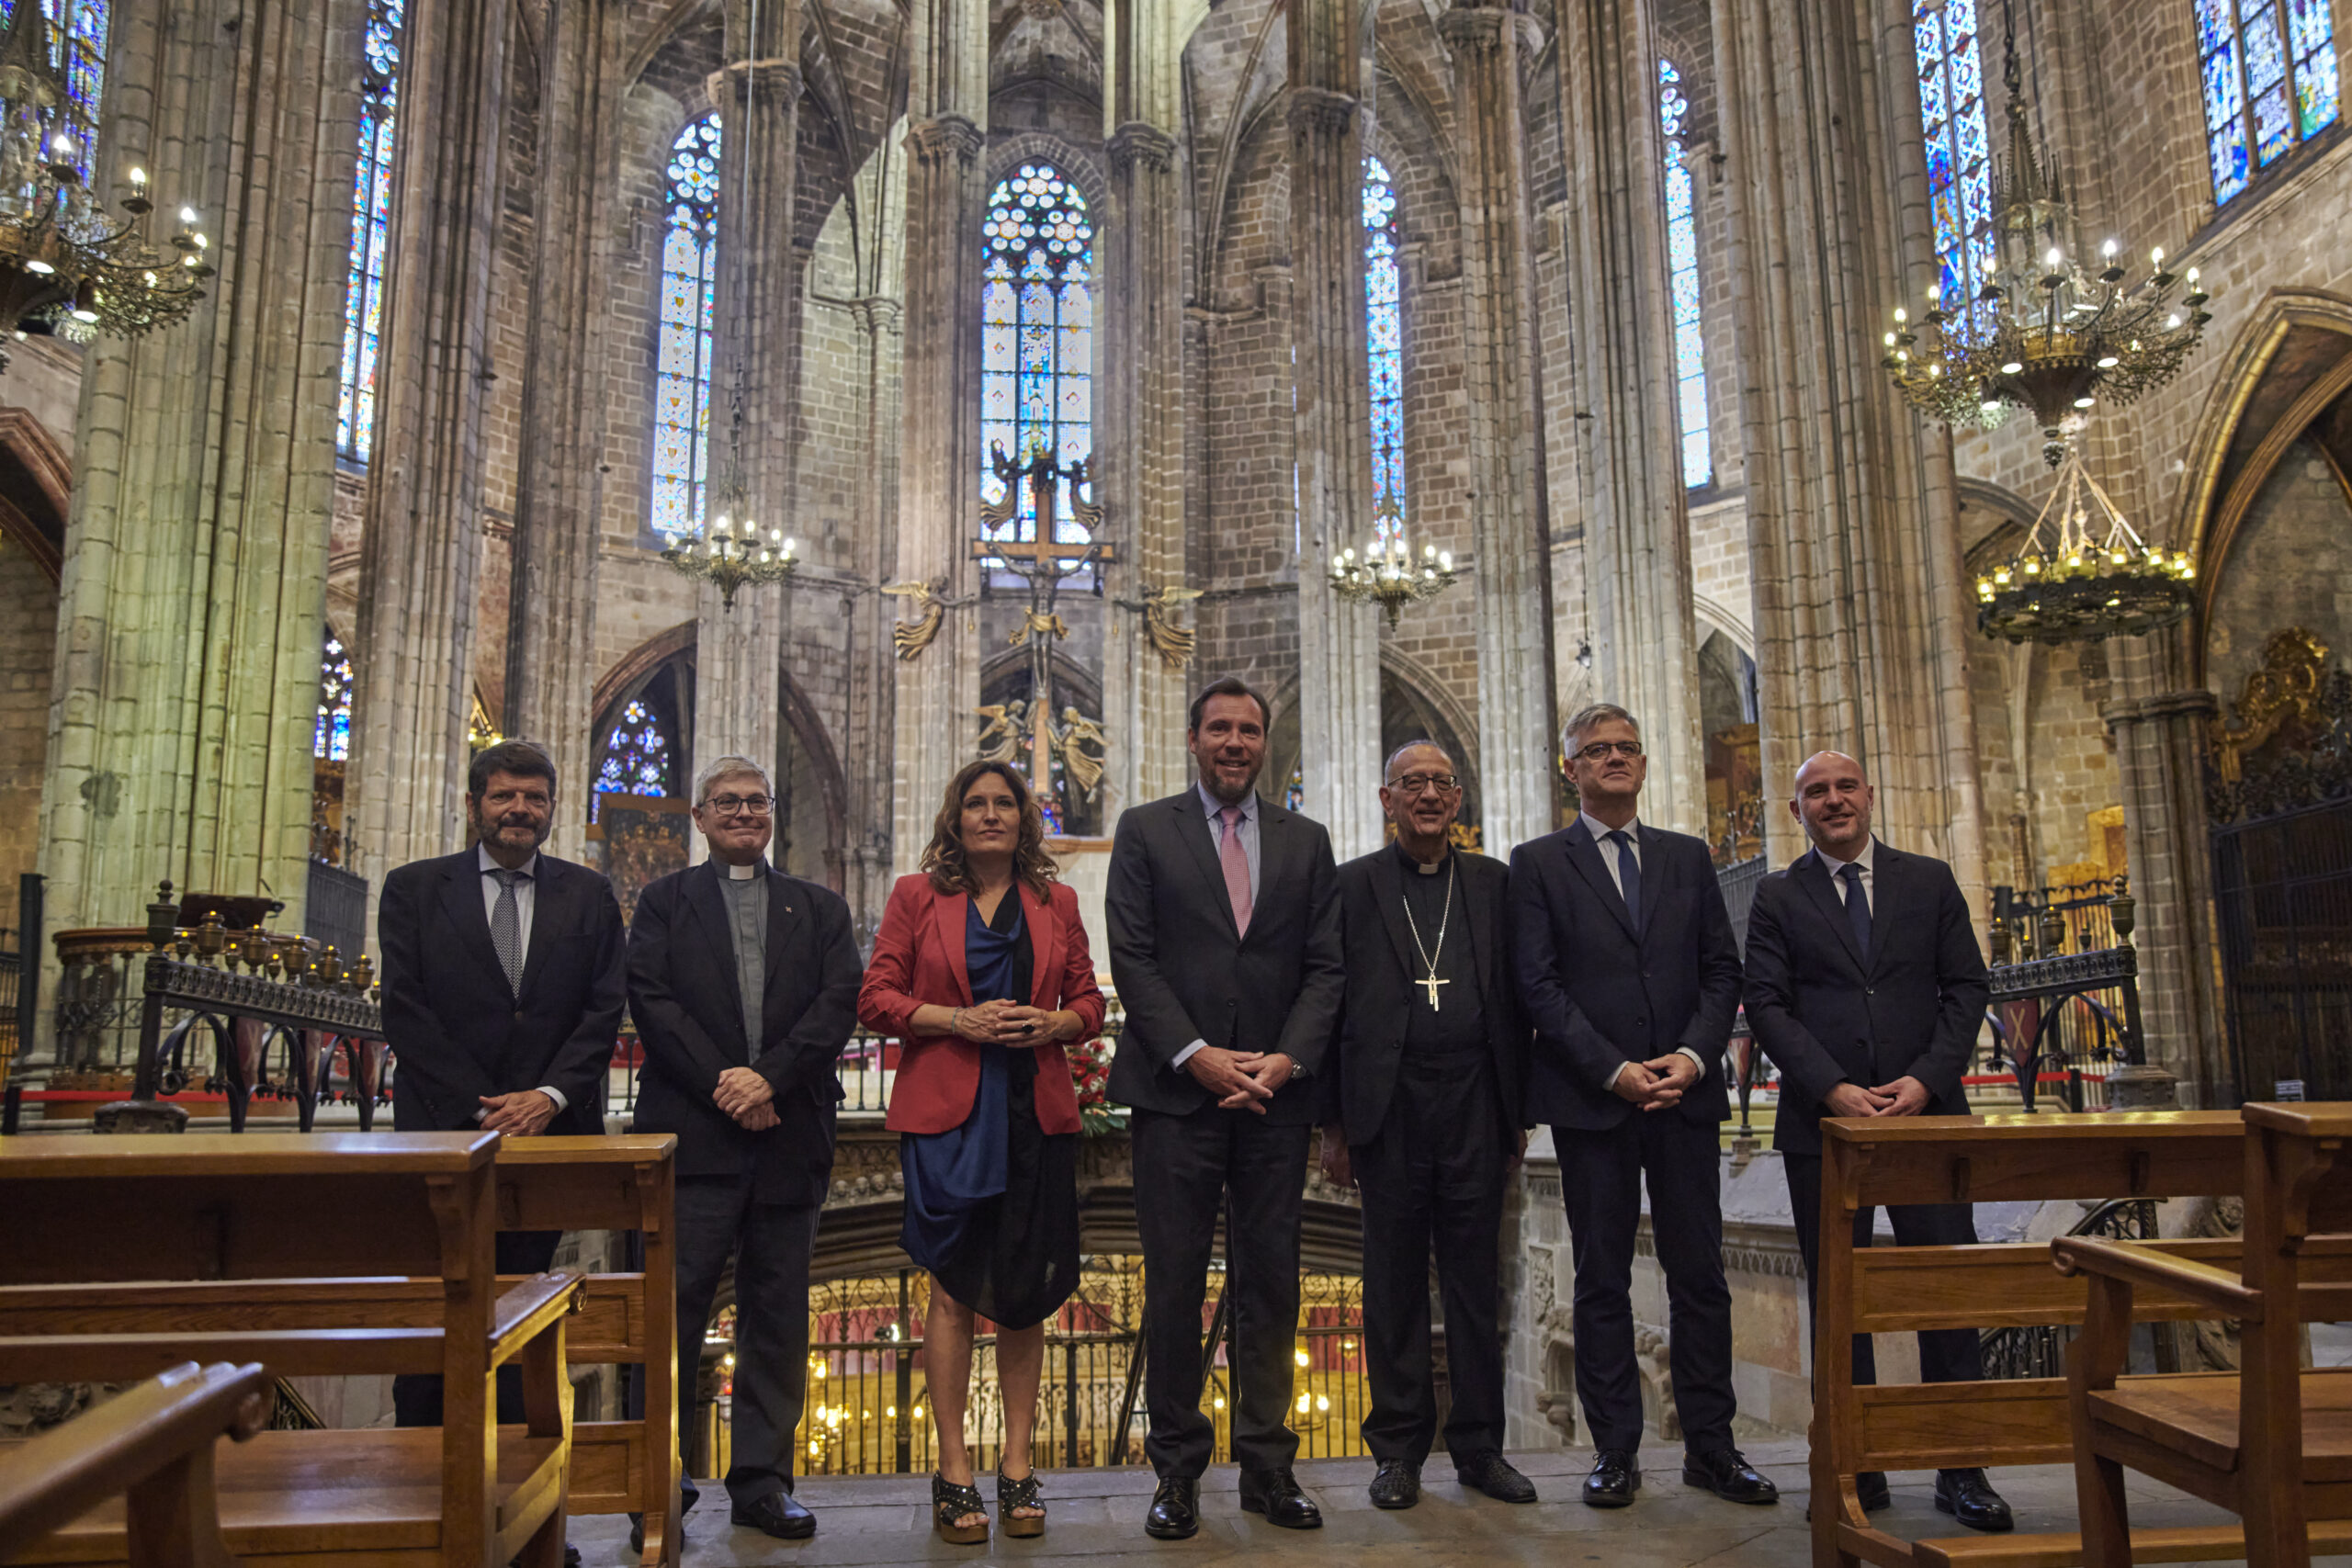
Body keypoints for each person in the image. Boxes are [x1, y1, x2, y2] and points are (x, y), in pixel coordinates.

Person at [1508, 705, 1771, 1510]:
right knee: (1601, 1280)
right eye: (1596, 750)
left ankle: (1712, 1445)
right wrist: (1614, 1069)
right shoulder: (1539, 862)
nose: (1613, 759)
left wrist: (1692, 1057)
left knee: (1700, 1275)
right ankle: (1615, 1449)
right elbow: (1538, 986)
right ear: (1571, 769)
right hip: (1595, 1104)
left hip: (1685, 1099)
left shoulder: (1687, 858)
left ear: (1645, 763)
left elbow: (1721, 971)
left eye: (1625, 747)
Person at [1742, 750, 2010, 1532]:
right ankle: (1856, 1464)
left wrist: (1924, 1081)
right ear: (1797, 811)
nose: (1834, 800)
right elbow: (1767, 1002)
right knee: (1840, 1297)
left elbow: (1967, 986)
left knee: (1941, 1290)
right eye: (1816, 792)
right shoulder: (1775, 896)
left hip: (1925, 1119)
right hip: (1824, 1124)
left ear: (1869, 794)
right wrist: (1834, 1088)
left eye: (1844, 786)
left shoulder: (1927, 880)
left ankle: (1961, 1465)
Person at [1104, 675, 1345, 1540]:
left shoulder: (1306, 840)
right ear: (1194, 739)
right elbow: (1131, 955)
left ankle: (1269, 1467)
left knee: (1272, 1283)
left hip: (1274, 1103)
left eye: (1249, 729)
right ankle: (1175, 1471)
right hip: (1176, 1098)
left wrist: (1285, 1060)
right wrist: (1198, 1056)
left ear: (1264, 741)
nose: (1235, 742)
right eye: (1220, 729)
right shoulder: (1145, 830)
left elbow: (1327, 965)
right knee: (1173, 1284)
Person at [858, 760, 1107, 1545]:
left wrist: (1057, 1026)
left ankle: (1017, 1464)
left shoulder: (1056, 899)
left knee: (1026, 1291)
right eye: (977, 803)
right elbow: (875, 997)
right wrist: (953, 1020)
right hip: (948, 1115)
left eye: (1005, 802)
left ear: (1023, 817)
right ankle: (955, 1467)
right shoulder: (915, 896)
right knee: (954, 1291)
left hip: (1032, 1108)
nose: (991, 814)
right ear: (956, 816)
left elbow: (1090, 1001)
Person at [626, 757, 862, 1541]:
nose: (743, 813)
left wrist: (768, 1079)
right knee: (671, 1310)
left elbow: (837, 1005)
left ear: (773, 815)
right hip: (693, 1137)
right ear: (698, 817)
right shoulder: (661, 903)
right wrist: (727, 1083)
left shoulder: (819, 907)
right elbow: (652, 1002)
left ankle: (763, 1481)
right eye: (726, 802)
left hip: (789, 1134)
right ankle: (655, 1480)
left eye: (756, 801)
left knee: (779, 1314)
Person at [378, 738, 626, 1428]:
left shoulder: (589, 893)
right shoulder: (416, 887)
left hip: (549, 1142)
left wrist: (546, 1096)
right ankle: (426, 1490)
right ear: (474, 804)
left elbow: (604, 1010)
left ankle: (526, 1511)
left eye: (534, 797)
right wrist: (481, 1105)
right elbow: (405, 1007)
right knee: (437, 1309)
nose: (520, 809)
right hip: (443, 1133)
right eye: (504, 795)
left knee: (530, 1320)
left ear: (552, 808)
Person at [1317, 741, 1534, 1510]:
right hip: (1389, 1107)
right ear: (1387, 798)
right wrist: (1333, 1124)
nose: (1430, 794)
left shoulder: (1494, 883)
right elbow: (1331, 1007)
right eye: (1414, 783)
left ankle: (1479, 1448)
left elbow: (1516, 999)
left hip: (1477, 1101)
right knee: (1394, 1283)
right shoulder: (1351, 886)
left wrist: (1517, 1114)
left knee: (1477, 1283)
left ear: (1459, 798)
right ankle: (1399, 1451)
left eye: (1443, 782)